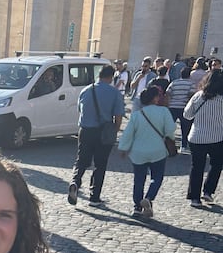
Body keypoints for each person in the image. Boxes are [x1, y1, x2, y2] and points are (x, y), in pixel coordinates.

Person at [67, 65, 125, 207]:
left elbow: (80, 111)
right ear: (111, 77)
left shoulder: (85, 90)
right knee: (100, 164)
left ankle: (75, 182)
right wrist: (115, 131)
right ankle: (94, 197)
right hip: (103, 132)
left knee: (81, 161)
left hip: (85, 130)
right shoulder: (115, 93)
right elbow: (118, 116)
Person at [117, 87, 175, 218]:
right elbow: (170, 130)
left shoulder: (137, 114)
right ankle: (148, 198)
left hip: (138, 153)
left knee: (139, 180)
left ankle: (137, 206)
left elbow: (128, 134)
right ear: (155, 98)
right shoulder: (164, 111)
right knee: (157, 178)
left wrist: (123, 148)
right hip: (158, 151)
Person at [183, 70, 223, 207]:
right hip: (217, 137)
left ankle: (195, 198)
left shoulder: (198, 96)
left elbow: (187, 115)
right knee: (217, 165)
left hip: (197, 137)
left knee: (197, 167)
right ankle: (208, 191)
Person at [166, 67, 195, 154]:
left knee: (169, 127)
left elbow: (168, 92)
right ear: (189, 75)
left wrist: (169, 103)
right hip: (184, 107)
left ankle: (167, 144)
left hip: (172, 107)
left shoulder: (175, 82)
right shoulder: (191, 83)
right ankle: (183, 146)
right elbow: (191, 95)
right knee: (185, 128)